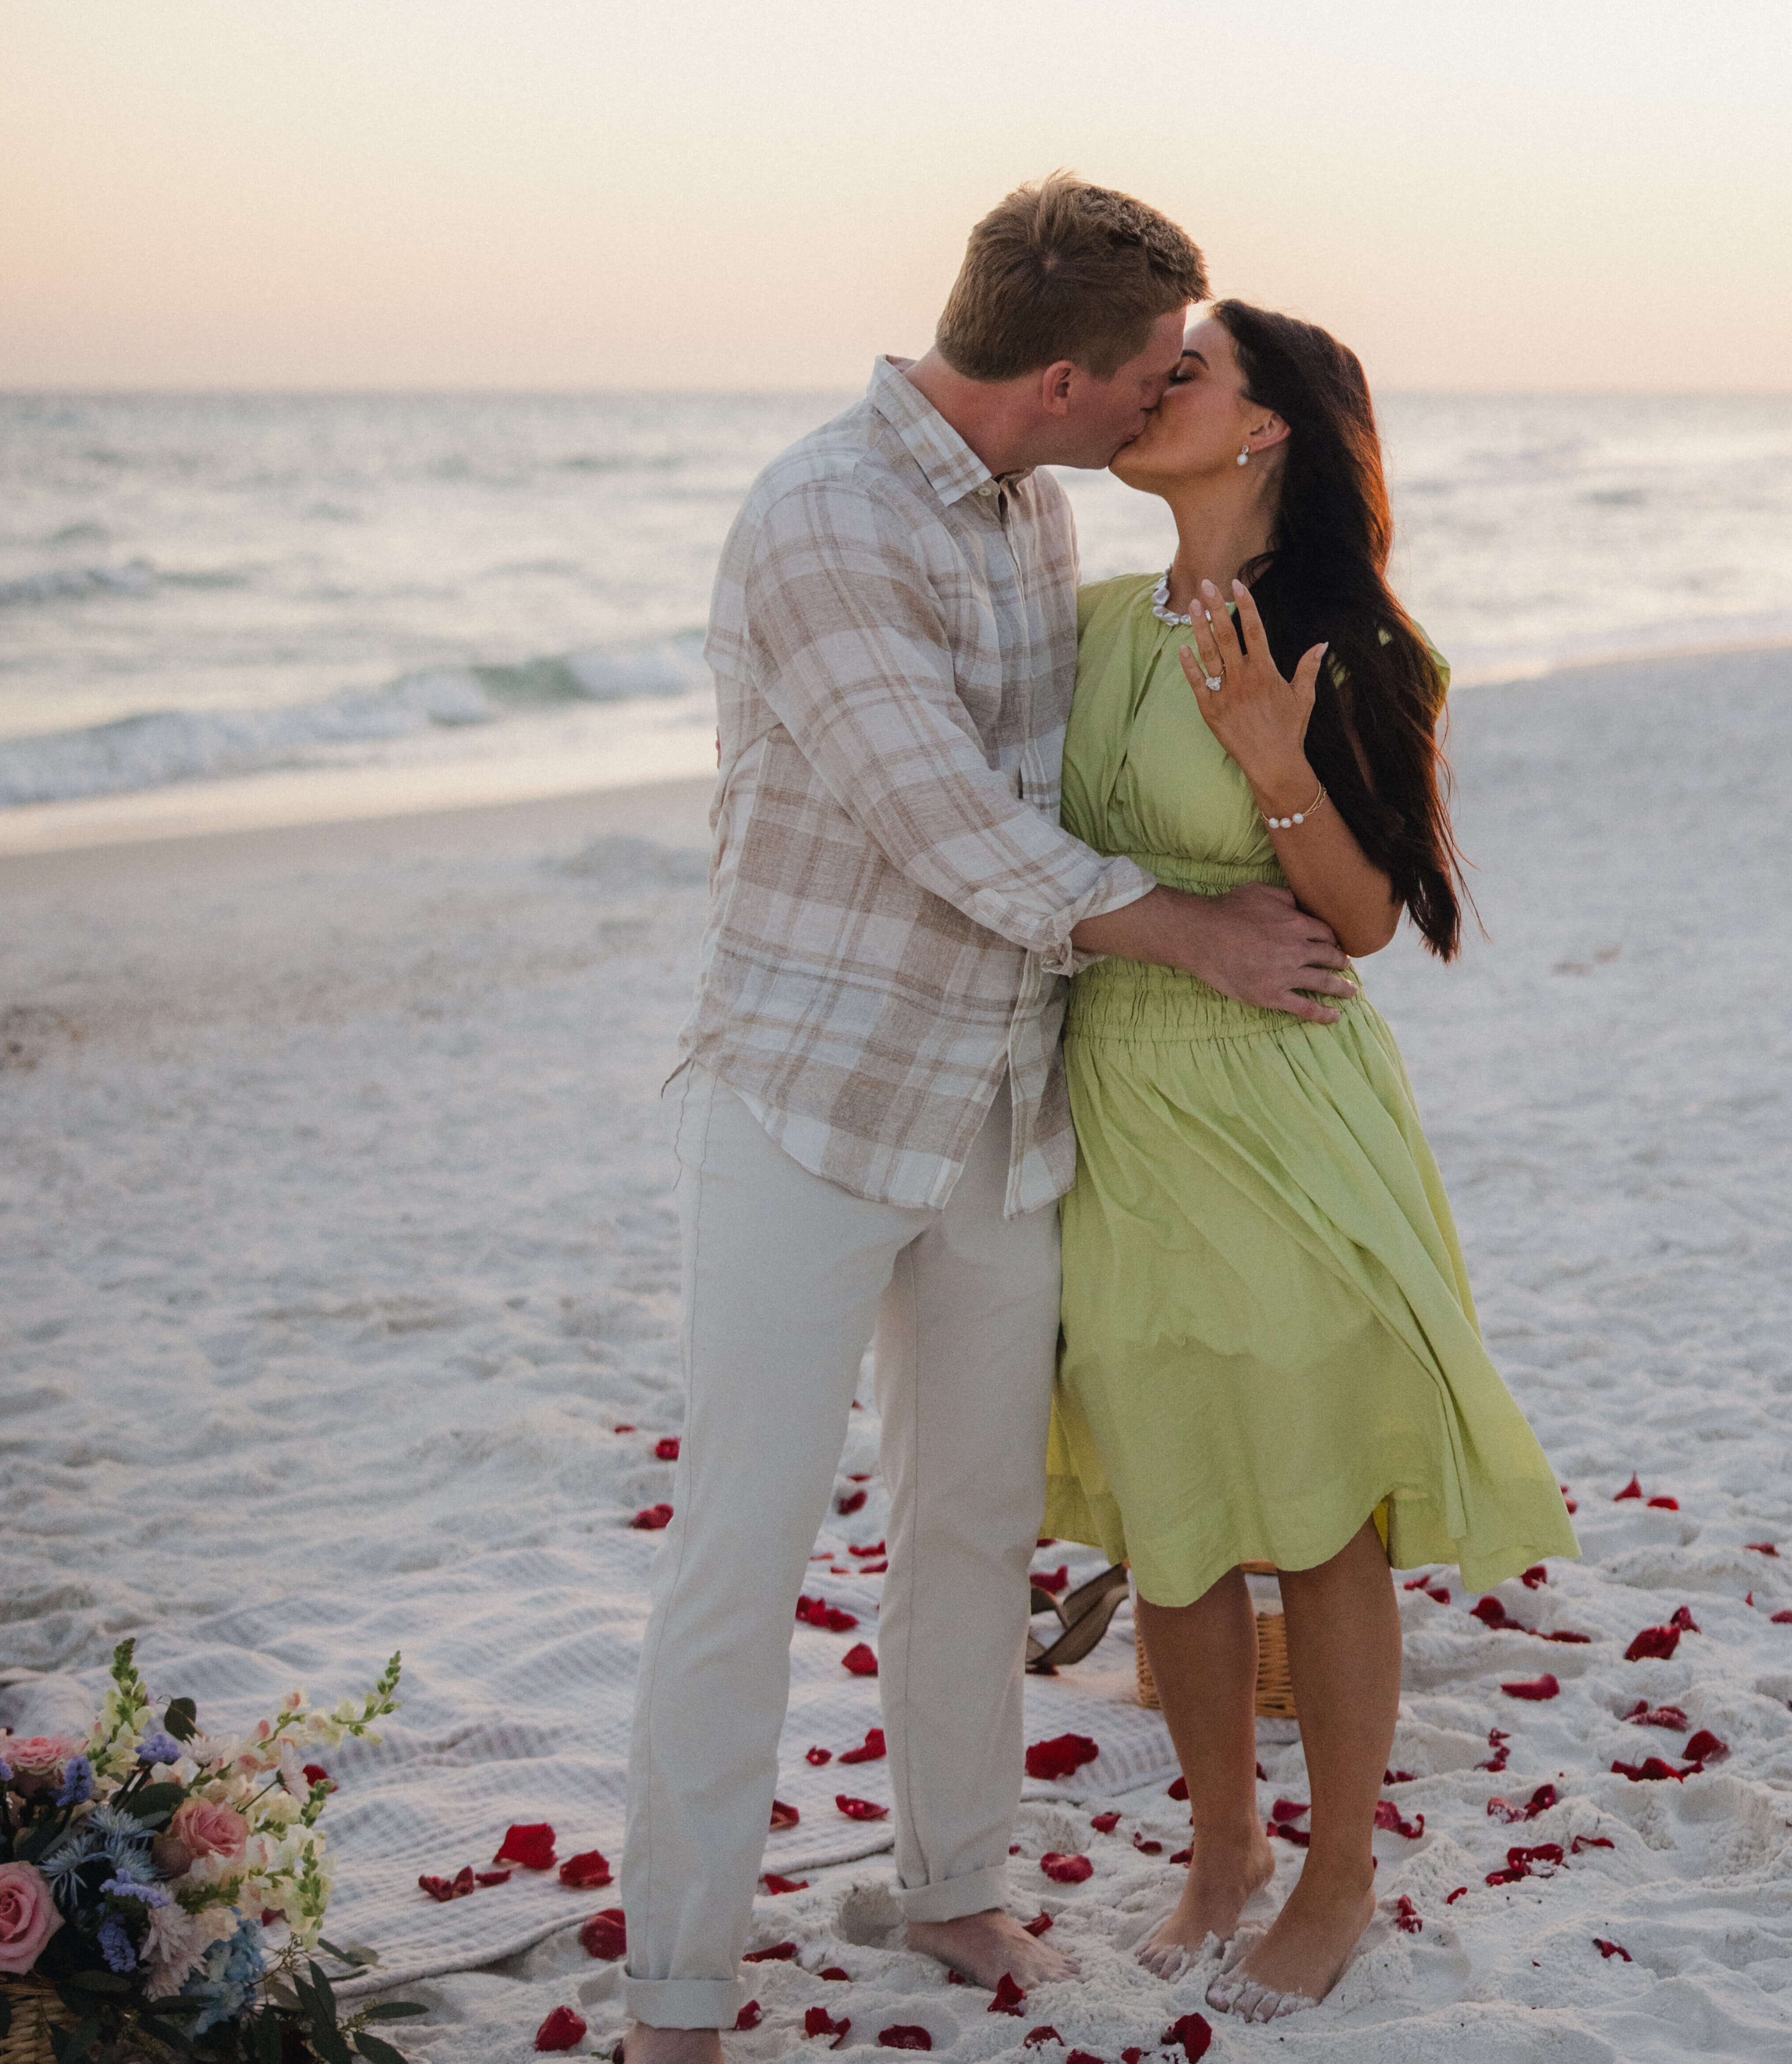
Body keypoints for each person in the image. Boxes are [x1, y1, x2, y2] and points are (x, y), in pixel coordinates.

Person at [621, 188, 1362, 2064]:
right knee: (746, 1545)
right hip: (810, 1101)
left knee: (968, 1526)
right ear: (1061, 374)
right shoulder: (823, 518)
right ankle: (678, 1995)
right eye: (1137, 382)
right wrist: (1191, 927)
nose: (1149, 410)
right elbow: (948, 825)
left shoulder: (1034, 514)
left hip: (998, 1110)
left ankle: (950, 1879)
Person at [1043, 301, 1582, 2021]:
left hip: (1280, 1094)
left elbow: (1367, 920)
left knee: (1316, 1511)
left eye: (1184, 368)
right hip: (1118, 1095)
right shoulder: (1093, 624)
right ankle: (1221, 1848)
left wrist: (1277, 769)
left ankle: (1337, 1860)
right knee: (1179, 1502)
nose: (1147, 385)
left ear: (1266, 427)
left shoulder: (1354, 638)